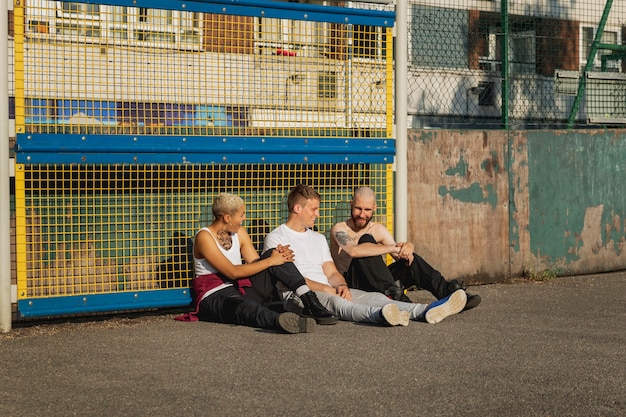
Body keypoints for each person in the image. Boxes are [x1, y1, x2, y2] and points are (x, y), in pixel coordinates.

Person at [263, 184, 467, 326]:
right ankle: (381, 315)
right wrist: (328, 288)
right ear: (298, 208)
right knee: (342, 304)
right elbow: (291, 277)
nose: (318, 214)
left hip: (337, 286)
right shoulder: (277, 238)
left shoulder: (317, 238)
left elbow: (330, 271)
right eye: (314, 209)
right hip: (302, 294)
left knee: (375, 297)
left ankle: (427, 308)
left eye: (367, 209)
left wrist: (340, 285)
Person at [176, 192, 338, 334]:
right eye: (241, 215)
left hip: (239, 288)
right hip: (214, 296)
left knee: (275, 253)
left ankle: (310, 301)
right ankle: (280, 320)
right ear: (227, 218)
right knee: (243, 306)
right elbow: (232, 272)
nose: (244, 218)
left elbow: (256, 263)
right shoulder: (204, 237)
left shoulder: (239, 232)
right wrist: (270, 261)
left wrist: (275, 258)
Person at [330, 186, 481, 310]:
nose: (362, 214)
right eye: (358, 208)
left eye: (367, 210)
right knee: (366, 240)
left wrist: (408, 247)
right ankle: (396, 296)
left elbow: (401, 256)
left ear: (374, 208)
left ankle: (450, 293)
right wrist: (392, 248)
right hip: (353, 284)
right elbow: (354, 251)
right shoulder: (340, 229)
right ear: (351, 204)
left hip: (377, 282)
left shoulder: (378, 229)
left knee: (412, 263)